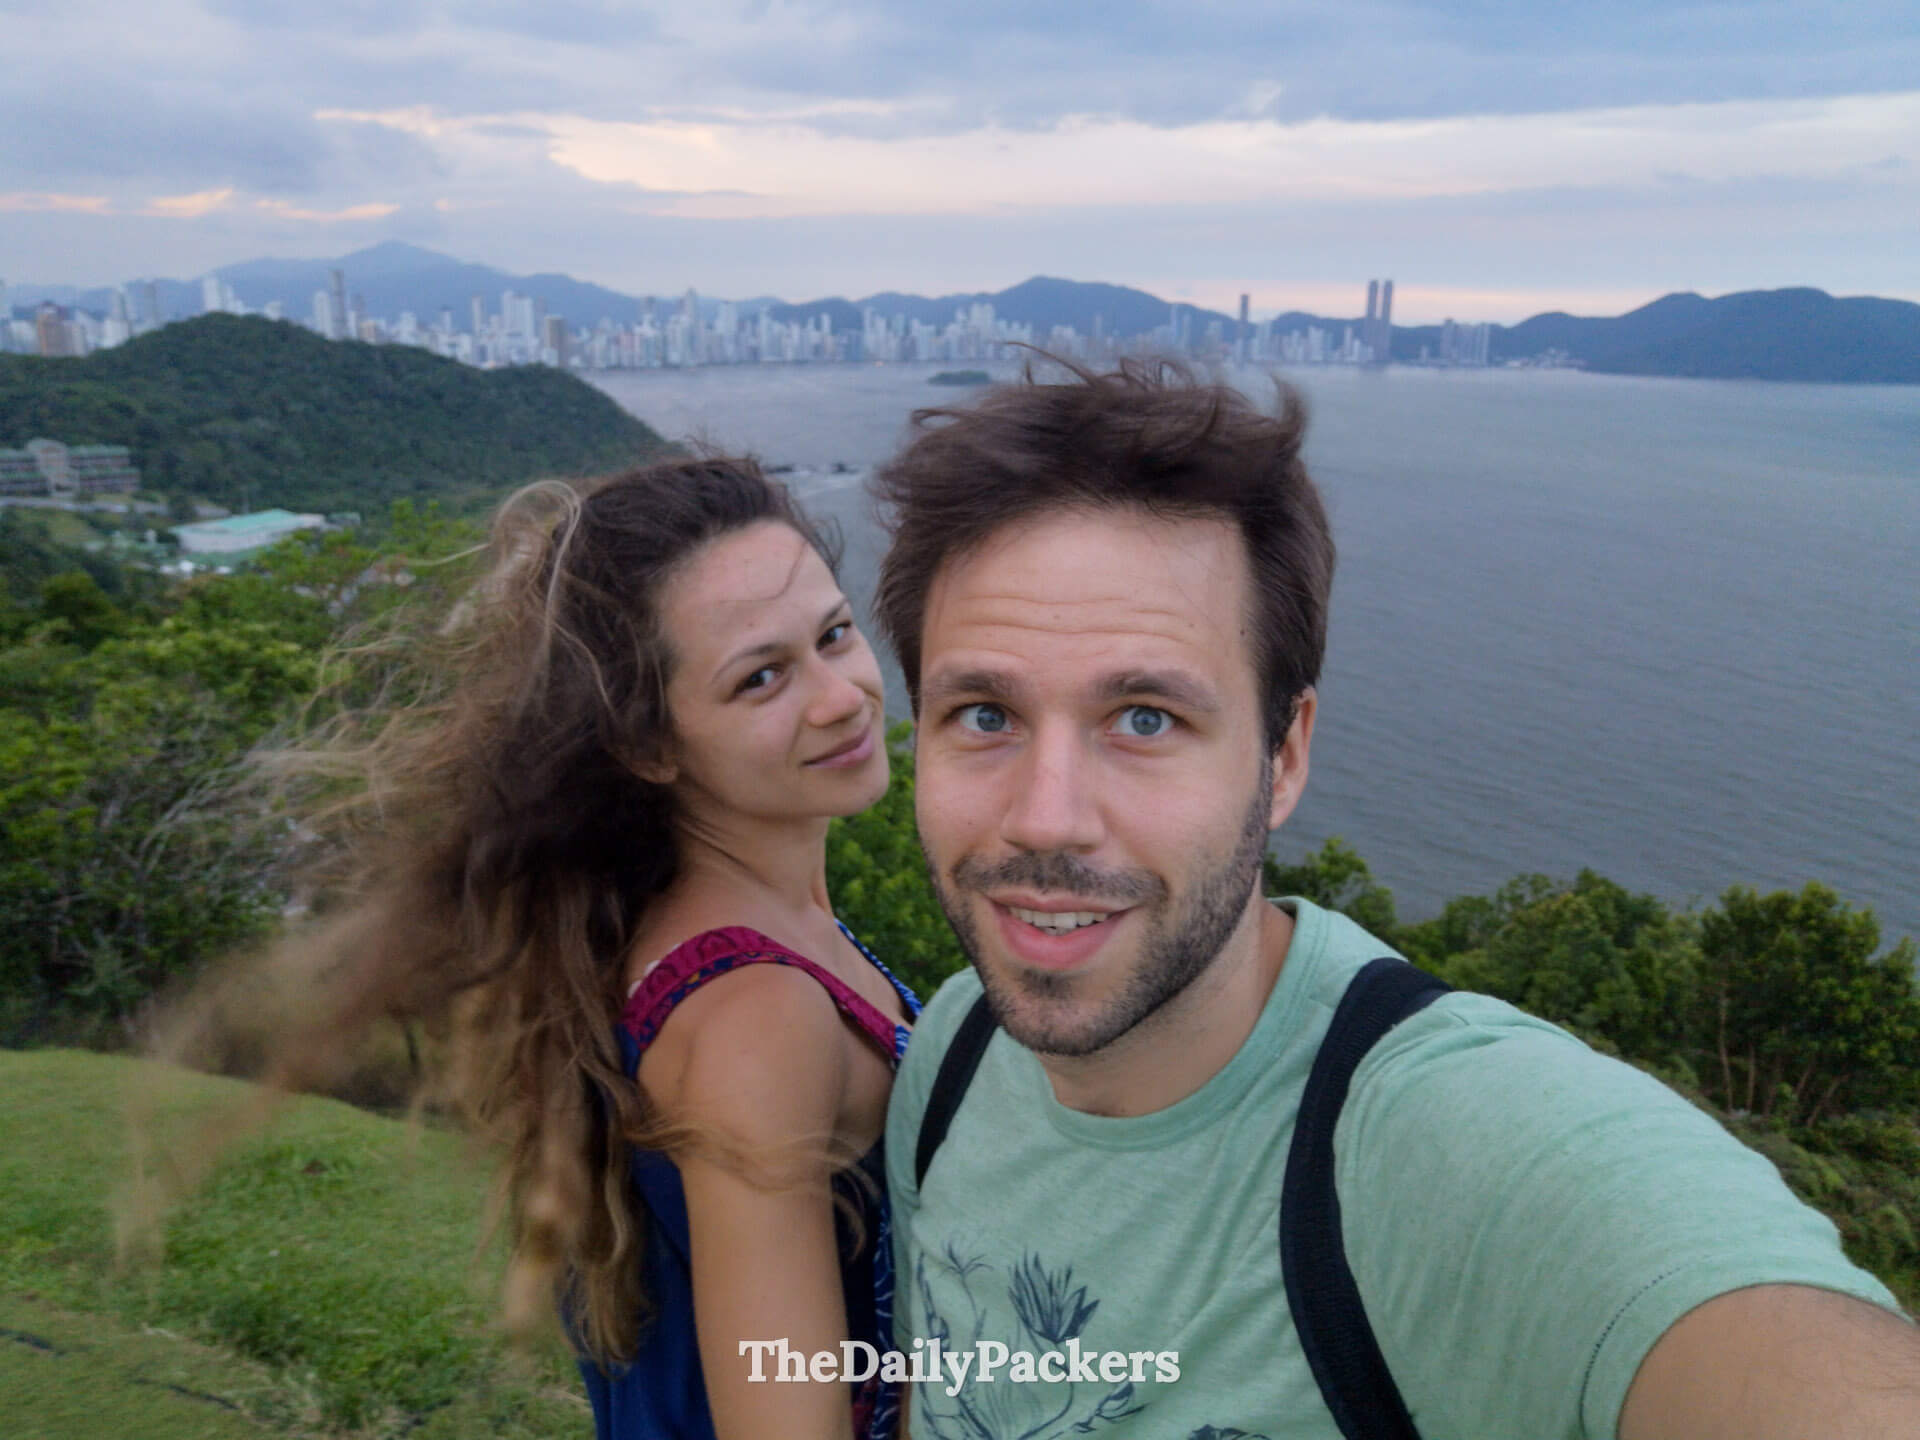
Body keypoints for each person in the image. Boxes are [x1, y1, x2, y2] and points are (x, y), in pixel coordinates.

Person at [870, 358, 1919, 1439]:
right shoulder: (954, 1055)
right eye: (984, 713)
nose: (1046, 818)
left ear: (1283, 758)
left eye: (1144, 718)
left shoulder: (1437, 1147)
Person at [162, 457, 918, 1440]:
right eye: (761, 677)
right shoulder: (755, 1018)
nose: (841, 697)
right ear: (649, 748)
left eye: (833, 635)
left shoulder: (689, 933)